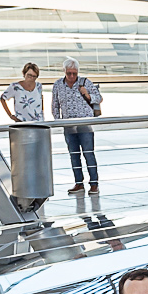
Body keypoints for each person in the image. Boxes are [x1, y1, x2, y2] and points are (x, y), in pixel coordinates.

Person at [51, 59, 103, 194]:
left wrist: (87, 94)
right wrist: (58, 120)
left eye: (74, 73)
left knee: (88, 153)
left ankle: (94, 184)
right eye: (69, 73)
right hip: (68, 125)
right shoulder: (58, 85)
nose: (72, 76)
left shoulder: (85, 82)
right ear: (64, 71)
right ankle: (78, 183)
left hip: (84, 124)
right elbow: (55, 104)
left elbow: (99, 98)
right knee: (74, 155)